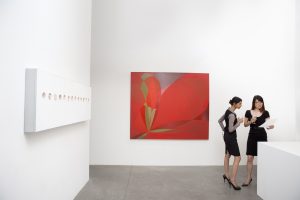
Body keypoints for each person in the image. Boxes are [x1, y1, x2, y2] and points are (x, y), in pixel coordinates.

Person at [242, 95, 274, 187]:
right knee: (249, 158)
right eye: (257, 102)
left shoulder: (266, 112)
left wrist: (271, 126)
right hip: (252, 136)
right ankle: (248, 178)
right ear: (253, 103)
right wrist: (251, 121)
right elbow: (245, 124)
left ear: (262, 103)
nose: (259, 104)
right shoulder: (248, 112)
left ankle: (265, 178)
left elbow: (269, 125)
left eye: (261, 102)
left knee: (263, 158)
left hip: (262, 136)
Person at [218, 97, 244, 190]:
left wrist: (224, 130)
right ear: (234, 104)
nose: (241, 105)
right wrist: (239, 122)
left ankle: (226, 175)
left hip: (226, 137)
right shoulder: (232, 115)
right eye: (240, 103)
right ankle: (232, 180)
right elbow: (231, 129)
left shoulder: (227, 111)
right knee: (238, 157)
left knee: (227, 155)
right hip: (231, 138)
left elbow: (219, 121)